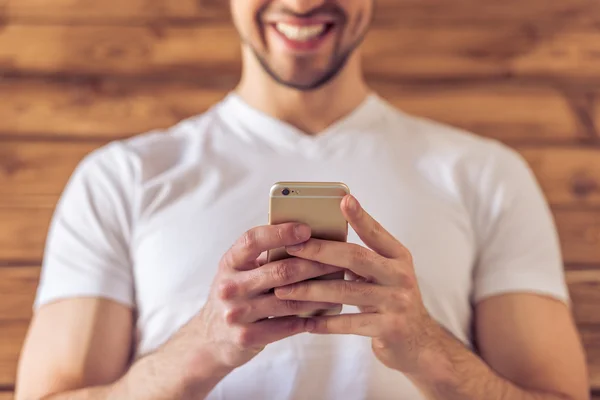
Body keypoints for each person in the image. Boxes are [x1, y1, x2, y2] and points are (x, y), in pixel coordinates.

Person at [16, 1, 589, 399]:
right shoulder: (121, 177)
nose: (302, 1)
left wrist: (425, 346)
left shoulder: (486, 174)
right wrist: (206, 346)